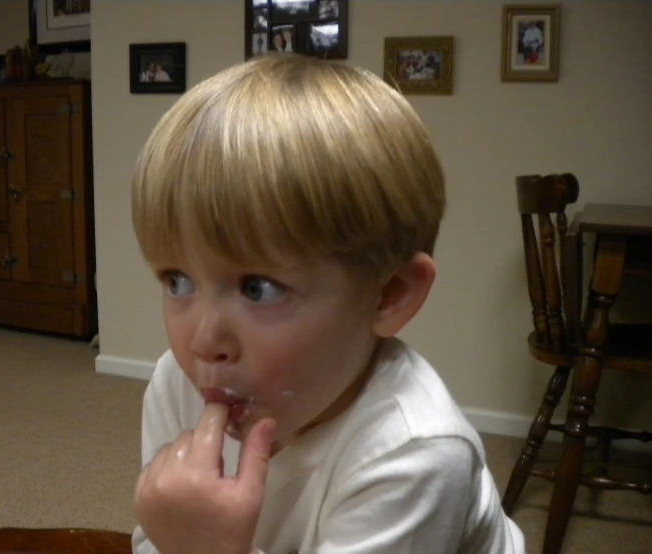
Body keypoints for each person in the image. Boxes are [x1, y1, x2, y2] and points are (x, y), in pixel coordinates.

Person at [130, 53, 526, 554]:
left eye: (259, 288)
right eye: (178, 280)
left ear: (390, 294)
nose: (203, 342)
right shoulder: (176, 386)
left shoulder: (414, 453)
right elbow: (156, 536)